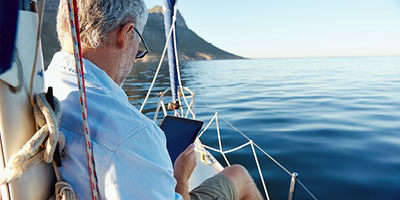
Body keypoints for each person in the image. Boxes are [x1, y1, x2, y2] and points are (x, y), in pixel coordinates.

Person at [45, 0, 263, 199]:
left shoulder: (42, 88)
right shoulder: (132, 137)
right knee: (239, 174)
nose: (135, 56)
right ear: (126, 33)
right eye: (138, 45)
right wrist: (180, 180)